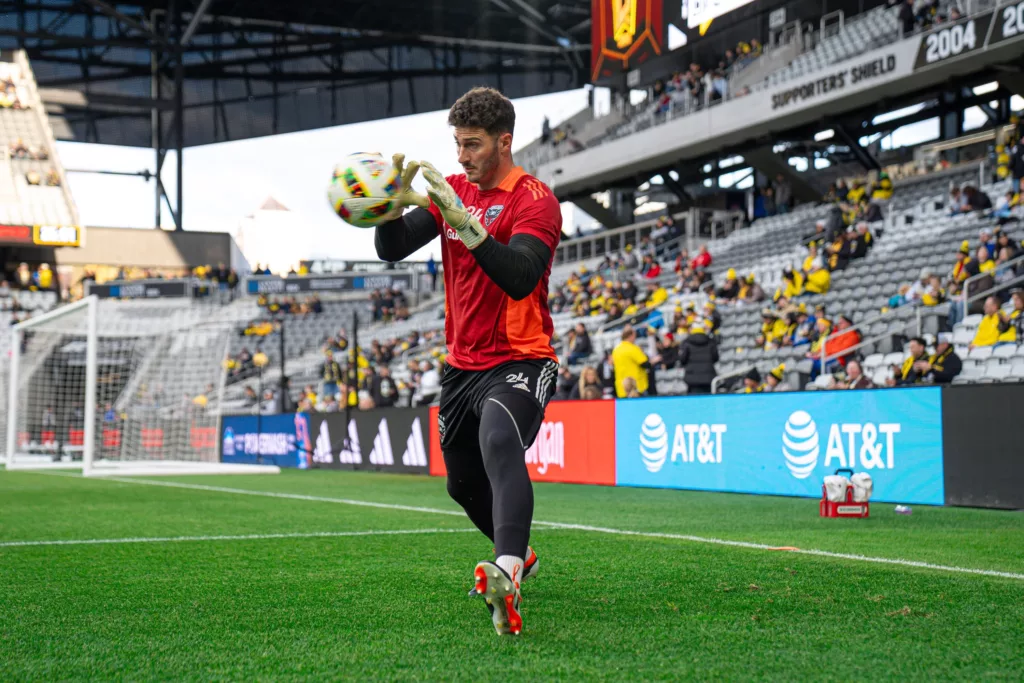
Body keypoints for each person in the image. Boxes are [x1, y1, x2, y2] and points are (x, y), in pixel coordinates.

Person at [373, 87, 560, 635]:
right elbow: (392, 248)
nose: (461, 157)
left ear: (505, 141)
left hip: (521, 358)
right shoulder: (451, 190)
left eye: (473, 145)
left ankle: (506, 570)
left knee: (499, 441)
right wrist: (390, 207)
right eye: (457, 144)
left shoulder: (535, 199)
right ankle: (521, 554)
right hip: (461, 365)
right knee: (460, 485)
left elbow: (521, 276)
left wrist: (469, 227)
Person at [677, 322, 718, 394]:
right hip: (708, 377)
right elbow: (715, 358)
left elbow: (682, 359)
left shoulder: (686, 343)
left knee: (693, 401)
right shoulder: (710, 342)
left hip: (692, 377)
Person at [611, 324, 650, 398]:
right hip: (636, 387)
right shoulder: (633, 348)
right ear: (631, 335)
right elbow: (645, 363)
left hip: (621, 388)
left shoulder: (616, 350)